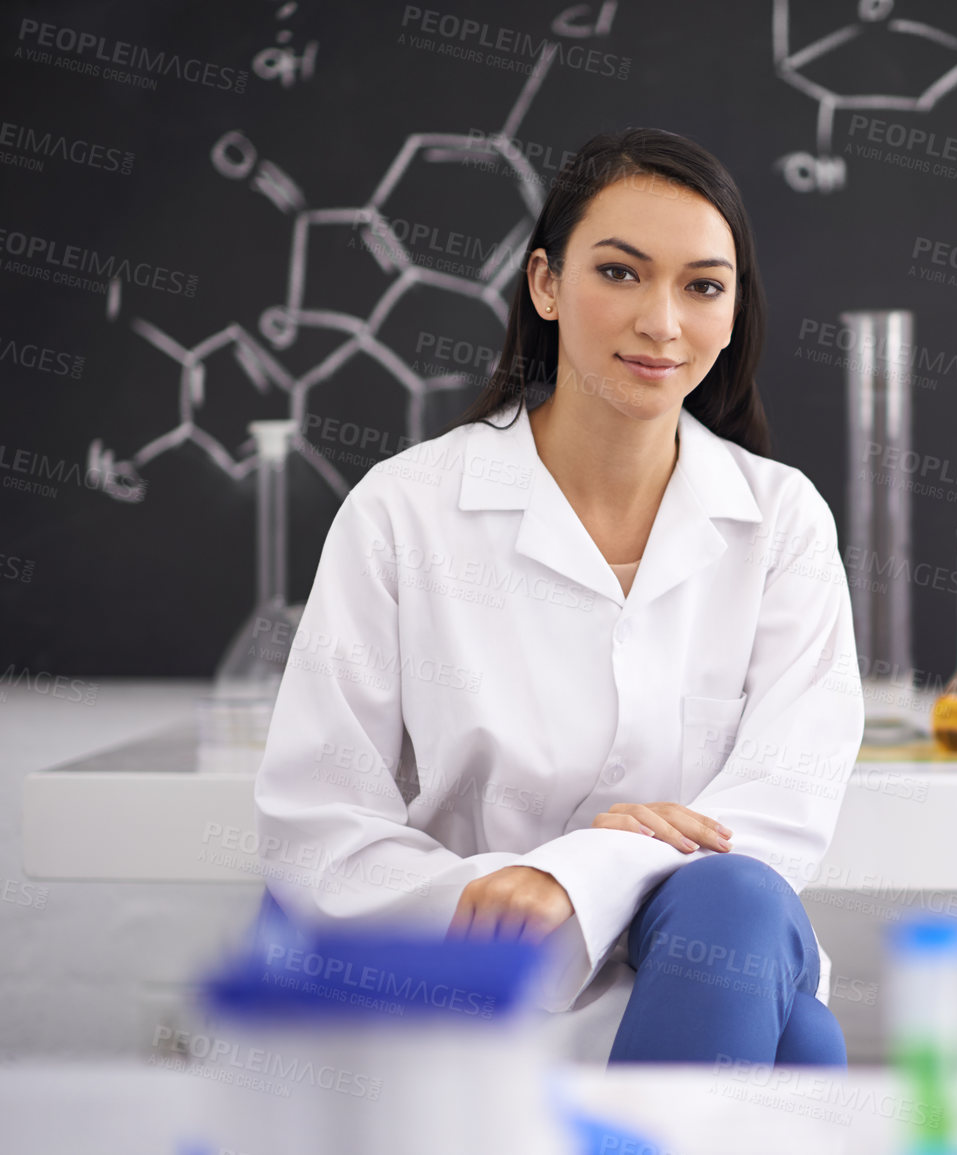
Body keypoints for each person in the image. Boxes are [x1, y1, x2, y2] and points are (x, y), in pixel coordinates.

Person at [253, 127, 863, 1066]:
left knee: (735, 901)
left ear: (734, 310)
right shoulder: (405, 511)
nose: (662, 321)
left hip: (711, 962)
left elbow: (781, 810)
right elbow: (316, 827)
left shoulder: (779, 520)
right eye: (620, 273)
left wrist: (572, 876)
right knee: (804, 1042)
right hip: (472, 977)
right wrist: (509, 895)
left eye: (703, 285)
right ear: (544, 283)